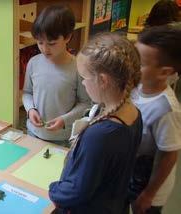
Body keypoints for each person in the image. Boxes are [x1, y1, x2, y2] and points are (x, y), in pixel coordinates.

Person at [49, 33, 143, 213]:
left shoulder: (100, 135)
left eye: (84, 77)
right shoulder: (134, 113)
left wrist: (53, 189)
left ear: (103, 80)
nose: (83, 83)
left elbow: (77, 191)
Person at [129, 25, 181, 214]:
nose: (132, 65)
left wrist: (149, 194)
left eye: (140, 63)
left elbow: (169, 155)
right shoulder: (136, 88)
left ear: (164, 72)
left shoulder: (166, 110)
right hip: (132, 175)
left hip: (150, 189)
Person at [22, 5, 90, 147]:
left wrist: (65, 120)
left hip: (62, 139)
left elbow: (85, 103)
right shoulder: (33, 63)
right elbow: (27, 93)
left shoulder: (78, 67)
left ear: (68, 37)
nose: (45, 49)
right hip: (33, 133)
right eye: (40, 42)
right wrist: (30, 110)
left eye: (52, 43)